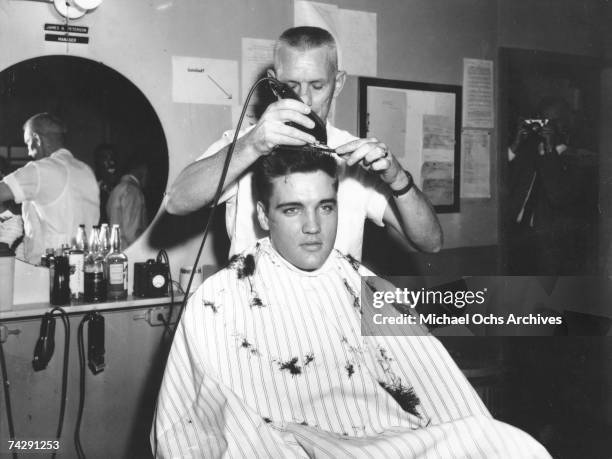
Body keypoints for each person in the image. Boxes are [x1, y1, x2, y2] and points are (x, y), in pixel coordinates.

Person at [152, 147, 549, 458]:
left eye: (325, 207)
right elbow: (187, 429)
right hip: (283, 445)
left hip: (384, 441)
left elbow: (442, 396)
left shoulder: (364, 287)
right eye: (292, 209)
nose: (313, 227)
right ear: (262, 214)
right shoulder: (219, 299)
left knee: (509, 444)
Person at [164, 26, 442, 261]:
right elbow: (176, 202)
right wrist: (251, 146)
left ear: (339, 83)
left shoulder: (354, 154)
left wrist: (397, 179)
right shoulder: (244, 144)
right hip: (255, 313)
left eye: (317, 86)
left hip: (332, 314)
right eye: (292, 86)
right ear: (273, 83)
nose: (305, 100)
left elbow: (431, 243)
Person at [0, 113, 99, 264]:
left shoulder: (41, 169)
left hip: (48, 272)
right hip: (86, 267)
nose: (28, 152)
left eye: (28, 143)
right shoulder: (85, 170)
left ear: (37, 139)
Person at [505, 97, 587, 275]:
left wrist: (550, 152)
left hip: (549, 243)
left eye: (553, 121)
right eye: (543, 120)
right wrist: (514, 146)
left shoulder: (576, 159)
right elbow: (500, 179)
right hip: (516, 234)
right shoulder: (527, 150)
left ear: (565, 124)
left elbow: (558, 195)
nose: (546, 126)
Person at [106, 155, 148, 247]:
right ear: (142, 169)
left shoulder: (117, 189)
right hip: (130, 253)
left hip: (116, 251)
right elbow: (132, 233)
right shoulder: (133, 191)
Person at [93, 143, 120, 224]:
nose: (111, 162)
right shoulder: (91, 187)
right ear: (97, 162)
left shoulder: (120, 187)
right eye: (105, 158)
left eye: (113, 158)